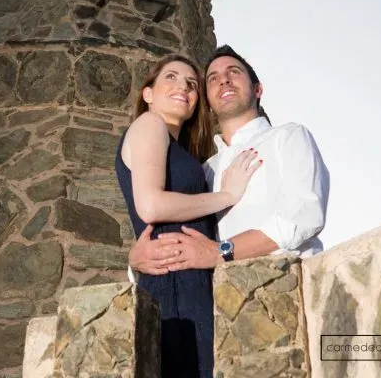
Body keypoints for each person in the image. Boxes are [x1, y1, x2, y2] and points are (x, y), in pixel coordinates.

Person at [115, 53, 262, 378]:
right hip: (176, 286)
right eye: (170, 77)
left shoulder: (181, 152)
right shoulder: (149, 123)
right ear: (148, 93)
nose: (183, 86)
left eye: (191, 84)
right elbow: (150, 206)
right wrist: (225, 196)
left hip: (187, 281)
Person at [129, 44, 329, 277]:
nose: (224, 80)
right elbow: (177, 235)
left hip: (288, 285)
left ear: (257, 89)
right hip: (219, 303)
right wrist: (135, 263)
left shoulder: (288, 137)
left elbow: (305, 214)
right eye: (213, 78)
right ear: (207, 103)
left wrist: (221, 251)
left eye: (234, 72)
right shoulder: (204, 170)